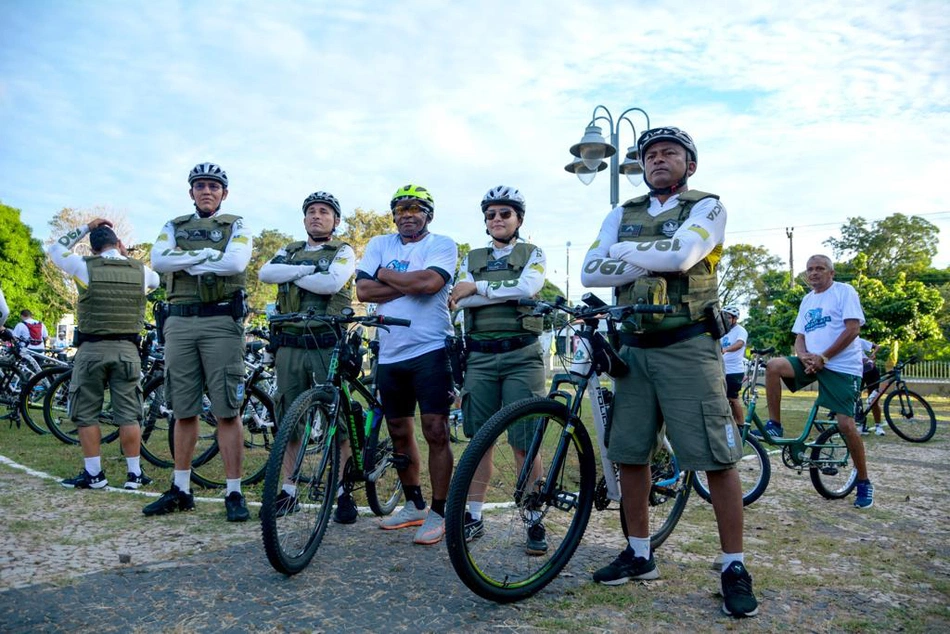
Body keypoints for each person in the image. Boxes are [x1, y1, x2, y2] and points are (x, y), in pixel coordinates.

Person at [579, 127, 758, 617]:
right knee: (631, 454)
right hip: (632, 348)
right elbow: (590, 271)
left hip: (688, 345)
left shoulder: (708, 207)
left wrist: (622, 254)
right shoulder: (622, 212)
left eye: (669, 153)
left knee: (716, 457)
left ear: (690, 164)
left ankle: (733, 565)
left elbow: (683, 256)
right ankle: (640, 554)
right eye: (650, 154)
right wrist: (644, 259)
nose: (658, 160)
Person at [144, 162, 254, 522]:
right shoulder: (173, 225)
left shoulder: (237, 225)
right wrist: (209, 258)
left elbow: (235, 262)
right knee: (182, 408)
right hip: (179, 321)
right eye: (200, 185)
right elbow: (159, 259)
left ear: (224, 193)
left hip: (221, 321)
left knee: (226, 409)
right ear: (190, 192)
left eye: (214, 186)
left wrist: (186, 260)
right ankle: (181, 488)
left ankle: (234, 492)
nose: (207, 191)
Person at [355, 184, 457, 545]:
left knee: (435, 430)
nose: (407, 214)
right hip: (391, 352)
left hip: (430, 349)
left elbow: (431, 283)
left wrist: (385, 275)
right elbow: (362, 292)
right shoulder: (380, 244)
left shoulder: (442, 244)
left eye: (415, 208)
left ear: (428, 214)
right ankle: (413, 504)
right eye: (400, 209)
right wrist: (409, 284)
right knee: (399, 431)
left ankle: (440, 511)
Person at [449, 185, 548, 554]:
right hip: (479, 357)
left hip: (521, 355)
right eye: (491, 214)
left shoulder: (531, 252)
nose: (497, 220)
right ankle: (474, 516)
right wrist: (483, 289)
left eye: (505, 213)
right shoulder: (470, 257)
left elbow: (529, 285)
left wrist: (477, 287)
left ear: (518, 219)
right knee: (479, 441)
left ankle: (534, 518)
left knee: (525, 441)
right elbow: (458, 298)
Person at [258, 191, 359, 523]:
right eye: (311, 212)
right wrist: (307, 270)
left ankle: (343, 492)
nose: (317, 216)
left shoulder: (343, 250)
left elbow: (332, 283)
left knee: (337, 420)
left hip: (325, 344)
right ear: (304, 219)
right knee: (288, 416)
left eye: (324, 212)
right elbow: (266, 274)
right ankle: (288, 491)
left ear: (335, 220)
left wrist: (294, 271)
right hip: (288, 343)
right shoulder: (288, 250)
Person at [45, 218, 160, 490]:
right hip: (128, 351)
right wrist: (126, 258)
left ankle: (94, 474)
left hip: (91, 349)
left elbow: (56, 249)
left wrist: (85, 226)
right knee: (129, 414)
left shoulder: (83, 266)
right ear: (119, 244)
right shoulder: (143, 272)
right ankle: (134, 474)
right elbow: (154, 281)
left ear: (92, 249)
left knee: (87, 413)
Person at [761, 254, 873, 509]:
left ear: (831, 273)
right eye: (810, 269)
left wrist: (825, 356)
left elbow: (853, 329)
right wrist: (804, 356)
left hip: (842, 367)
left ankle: (864, 481)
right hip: (812, 361)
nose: (814, 273)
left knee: (846, 424)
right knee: (773, 366)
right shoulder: (807, 299)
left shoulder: (844, 292)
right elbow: (800, 336)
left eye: (820, 268)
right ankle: (775, 425)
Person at [720, 306, 748, 427]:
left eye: (729, 317)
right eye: (724, 316)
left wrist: (726, 350)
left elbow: (740, 343)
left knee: (733, 398)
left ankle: (741, 424)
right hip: (722, 369)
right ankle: (731, 422)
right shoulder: (723, 330)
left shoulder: (740, 330)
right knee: (723, 398)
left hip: (734, 370)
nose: (726, 319)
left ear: (735, 319)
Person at [858, 338, 884, 436]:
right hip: (857, 372)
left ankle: (878, 426)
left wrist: (873, 354)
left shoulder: (858, 340)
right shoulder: (840, 343)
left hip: (870, 370)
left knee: (873, 400)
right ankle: (860, 425)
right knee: (856, 400)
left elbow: (877, 346)